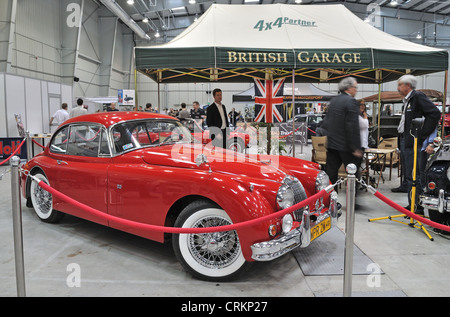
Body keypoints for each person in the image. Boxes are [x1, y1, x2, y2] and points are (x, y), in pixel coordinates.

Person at [395, 74, 440, 214]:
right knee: (409, 175)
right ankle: (412, 205)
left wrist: (421, 135)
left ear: (408, 86)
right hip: (406, 142)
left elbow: (435, 114)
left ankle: (417, 208)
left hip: (413, 143)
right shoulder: (408, 100)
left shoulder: (417, 97)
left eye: (400, 85)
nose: (398, 88)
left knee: (414, 176)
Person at [323, 77, 362, 191]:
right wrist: (356, 147)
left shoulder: (333, 101)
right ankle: (352, 202)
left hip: (332, 144)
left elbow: (326, 122)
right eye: (355, 88)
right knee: (352, 174)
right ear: (349, 88)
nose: (356, 90)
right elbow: (352, 125)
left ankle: (331, 200)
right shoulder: (351, 101)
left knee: (331, 175)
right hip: (346, 146)